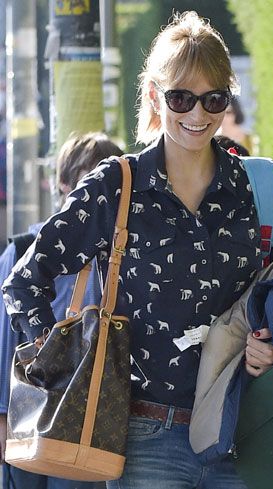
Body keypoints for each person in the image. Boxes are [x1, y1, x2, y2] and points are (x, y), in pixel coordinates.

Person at [2, 11, 273, 489]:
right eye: (181, 97)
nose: (197, 115)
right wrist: (56, 360)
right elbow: (24, 280)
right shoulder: (115, 185)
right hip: (145, 436)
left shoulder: (256, 185)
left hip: (246, 428)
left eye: (213, 99)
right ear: (155, 95)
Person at [0, 132, 121, 489]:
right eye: (84, 187)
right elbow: (5, 342)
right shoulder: (24, 251)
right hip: (28, 411)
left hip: (88, 421)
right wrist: (3, 417)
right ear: (62, 187)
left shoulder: (117, 260)